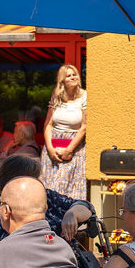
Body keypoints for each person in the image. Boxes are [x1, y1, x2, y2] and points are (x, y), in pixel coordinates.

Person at [0, 154, 93, 260]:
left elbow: (87, 208)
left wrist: (72, 213)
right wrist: (16, 251)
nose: (39, 182)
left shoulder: (46, 196)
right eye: (34, 178)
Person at [40, 64, 88, 200]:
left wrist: (69, 150)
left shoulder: (84, 96)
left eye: (75, 74)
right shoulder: (56, 95)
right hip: (53, 147)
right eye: (69, 76)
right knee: (50, 187)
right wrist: (49, 148)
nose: (73, 77)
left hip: (75, 147)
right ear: (62, 80)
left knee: (69, 189)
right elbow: (48, 124)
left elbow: (84, 126)